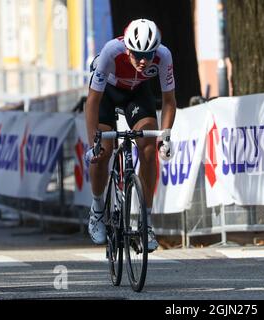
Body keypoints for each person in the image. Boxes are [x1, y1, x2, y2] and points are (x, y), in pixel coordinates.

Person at [84, 19, 176, 252]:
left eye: (149, 54)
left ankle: (146, 222)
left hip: (137, 93)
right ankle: (97, 210)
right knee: (102, 150)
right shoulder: (110, 52)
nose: (143, 60)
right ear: (127, 48)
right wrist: (92, 142)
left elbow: (169, 101)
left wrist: (165, 137)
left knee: (147, 147)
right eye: (137, 54)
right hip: (108, 93)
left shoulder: (164, 56)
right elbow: (92, 102)